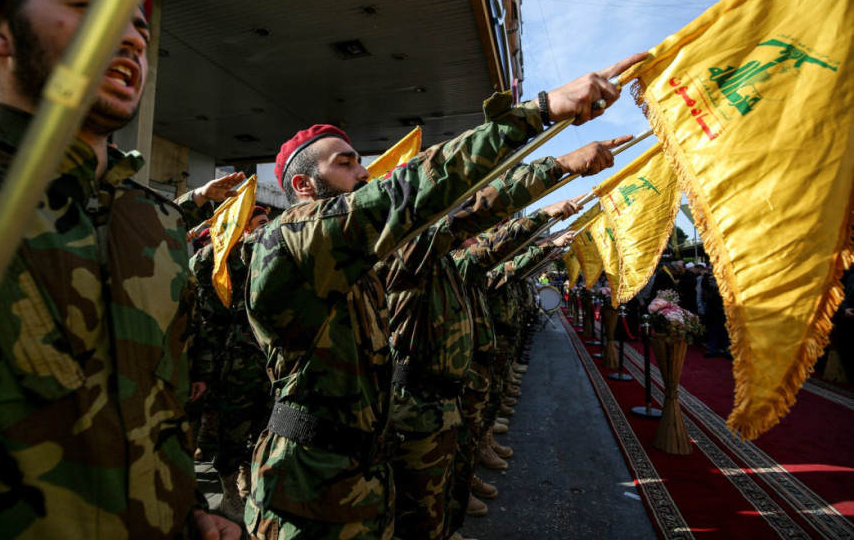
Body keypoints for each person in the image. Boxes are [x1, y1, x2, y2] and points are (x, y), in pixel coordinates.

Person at [241, 52, 647, 539]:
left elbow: (464, 216)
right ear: (304, 186)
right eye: (346, 164)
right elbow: (411, 195)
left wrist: (555, 171)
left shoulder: (354, 258)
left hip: (361, 473)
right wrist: (539, 112)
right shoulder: (289, 240)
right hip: (306, 492)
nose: (364, 174)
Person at [0, 0, 242, 537]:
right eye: (89, 8)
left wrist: (187, 512)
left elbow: (160, 415)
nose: (133, 38)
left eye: (138, 25)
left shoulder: (156, 225)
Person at [190, 205, 272, 524]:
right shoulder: (222, 261)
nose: (266, 227)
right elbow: (204, 313)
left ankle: (250, 488)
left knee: (262, 430)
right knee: (231, 431)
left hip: (265, 359)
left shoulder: (268, 254)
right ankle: (229, 496)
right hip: (234, 361)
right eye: (258, 223)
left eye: (267, 222)